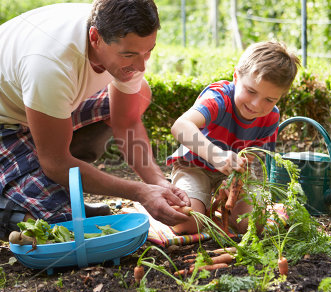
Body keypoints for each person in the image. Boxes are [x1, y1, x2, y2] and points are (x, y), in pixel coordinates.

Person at [0, 0, 191, 241]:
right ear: (95, 38)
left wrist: (158, 183)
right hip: (7, 121)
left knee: (140, 94)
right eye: (129, 54)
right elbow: (55, 161)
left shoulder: (128, 43)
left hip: (41, 107)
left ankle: (59, 186)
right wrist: (140, 192)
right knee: (61, 227)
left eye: (148, 51)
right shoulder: (51, 65)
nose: (141, 64)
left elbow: (127, 123)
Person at [167, 41, 300, 234]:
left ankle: (212, 207)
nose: (256, 105)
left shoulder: (271, 117)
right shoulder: (218, 98)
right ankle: (195, 202)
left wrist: (234, 182)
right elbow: (180, 126)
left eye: (269, 100)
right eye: (251, 91)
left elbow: (250, 157)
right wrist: (216, 156)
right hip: (194, 166)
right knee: (185, 224)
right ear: (236, 77)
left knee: (252, 225)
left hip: (233, 172)